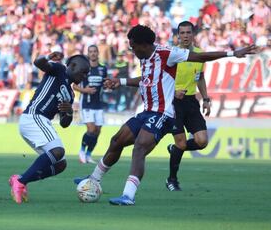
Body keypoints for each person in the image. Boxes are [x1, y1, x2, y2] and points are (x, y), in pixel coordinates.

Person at [74, 24, 256, 206]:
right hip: (146, 112)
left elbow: (200, 56)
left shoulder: (168, 54)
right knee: (117, 140)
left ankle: (128, 196)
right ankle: (94, 179)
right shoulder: (144, 57)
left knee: (139, 148)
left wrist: (233, 53)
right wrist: (120, 81)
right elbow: (145, 80)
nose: (132, 50)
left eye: (133, 46)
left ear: (144, 44)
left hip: (163, 114)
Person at [9, 52, 90, 204]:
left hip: (41, 122)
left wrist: (69, 112)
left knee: (60, 164)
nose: (85, 76)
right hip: (34, 117)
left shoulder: (71, 94)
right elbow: (39, 63)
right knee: (57, 151)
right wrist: (48, 56)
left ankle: (19, 180)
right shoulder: (59, 69)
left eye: (87, 73)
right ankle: (21, 182)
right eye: (83, 71)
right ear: (72, 66)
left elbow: (64, 123)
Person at [166, 21, 210, 191]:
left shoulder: (199, 54)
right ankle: (172, 180)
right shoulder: (171, 54)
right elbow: (163, 79)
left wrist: (206, 98)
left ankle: (175, 149)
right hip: (174, 102)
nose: (185, 35)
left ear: (193, 34)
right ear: (178, 35)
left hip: (191, 102)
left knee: (202, 141)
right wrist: (174, 92)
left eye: (188, 32)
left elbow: (199, 77)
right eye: (182, 33)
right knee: (182, 143)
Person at [72, 45, 107, 164]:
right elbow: (74, 85)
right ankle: (82, 151)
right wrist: (85, 90)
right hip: (86, 103)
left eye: (94, 51)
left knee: (97, 131)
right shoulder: (84, 69)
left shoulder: (103, 68)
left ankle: (88, 154)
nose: (93, 54)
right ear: (88, 54)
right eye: (90, 52)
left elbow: (105, 83)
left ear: (98, 53)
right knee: (91, 129)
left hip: (99, 104)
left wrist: (108, 86)